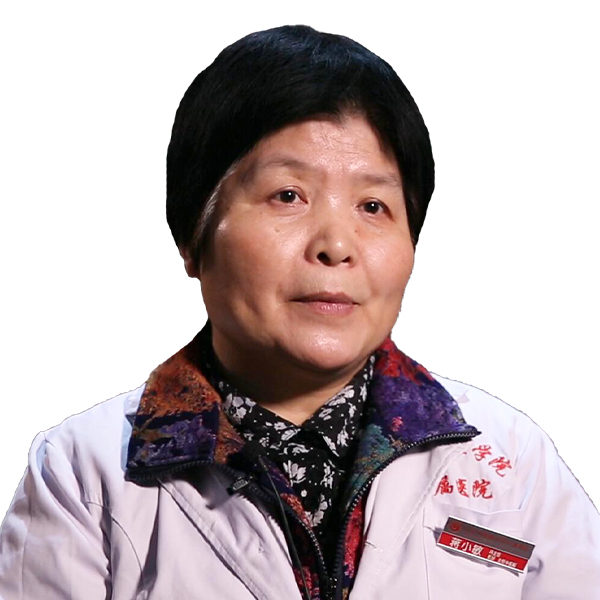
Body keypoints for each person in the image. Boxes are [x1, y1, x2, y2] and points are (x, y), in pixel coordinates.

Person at [0, 24, 598, 600]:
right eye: (288, 196)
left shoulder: (513, 464)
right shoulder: (83, 475)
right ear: (193, 236)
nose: (336, 244)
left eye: (373, 205)